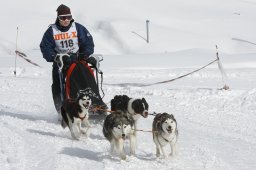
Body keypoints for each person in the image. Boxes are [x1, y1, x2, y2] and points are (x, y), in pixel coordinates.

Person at [40, 4, 106, 117]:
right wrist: (54, 56)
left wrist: (85, 53)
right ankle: (63, 109)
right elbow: (45, 48)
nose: (66, 20)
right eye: (62, 17)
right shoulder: (51, 31)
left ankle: (95, 103)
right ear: (58, 18)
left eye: (68, 17)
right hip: (60, 62)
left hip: (77, 60)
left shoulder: (78, 28)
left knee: (87, 77)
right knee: (58, 85)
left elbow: (88, 43)